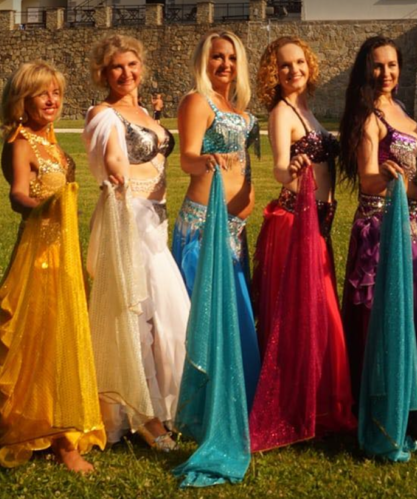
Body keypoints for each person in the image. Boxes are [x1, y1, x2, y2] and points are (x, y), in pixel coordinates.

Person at [0, 61, 106, 472]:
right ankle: (59, 440)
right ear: (23, 101)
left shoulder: (49, 141)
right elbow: (17, 194)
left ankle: (60, 423)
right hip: (41, 259)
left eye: (56, 92)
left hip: (64, 253)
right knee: (47, 341)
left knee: (64, 337)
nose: (52, 100)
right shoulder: (22, 143)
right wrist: (43, 205)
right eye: (43, 93)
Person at [248, 36, 356, 452]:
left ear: (309, 65)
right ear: (272, 74)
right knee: (306, 315)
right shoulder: (281, 113)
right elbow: (279, 166)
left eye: (298, 63)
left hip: (318, 223)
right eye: (284, 65)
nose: (293, 70)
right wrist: (290, 166)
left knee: (318, 314)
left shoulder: (308, 111)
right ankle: (300, 405)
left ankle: (321, 403)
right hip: (295, 223)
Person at [83, 34, 189, 452]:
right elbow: (111, 156)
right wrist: (117, 173)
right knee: (135, 317)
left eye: (132, 64)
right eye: (116, 67)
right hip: (130, 219)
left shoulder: (144, 112)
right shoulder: (103, 113)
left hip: (157, 221)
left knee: (168, 319)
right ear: (103, 73)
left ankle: (168, 405)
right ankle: (145, 417)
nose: (126, 73)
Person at [339, 36, 417, 443]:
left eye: (392, 65)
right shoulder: (369, 116)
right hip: (382, 228)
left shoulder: (399, 108)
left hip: (412, 224)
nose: (386, 73)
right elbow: (367, 179)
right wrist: (386, 175)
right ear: (366, 70)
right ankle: (398, 410)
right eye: (378, 65)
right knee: (411, 313)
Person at [170, 30, 261, 487]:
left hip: (234, 231)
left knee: (235, 318)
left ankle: (233, 402)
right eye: (216, 57)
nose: (224, 64)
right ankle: (197, 409)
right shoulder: (197, 101)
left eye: (231, 58)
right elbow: (186, 158)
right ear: (203, 61)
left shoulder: (241, 112)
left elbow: (244, 163)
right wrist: (209, 160)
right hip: (203, 228)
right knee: (202, 318)